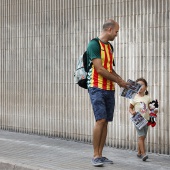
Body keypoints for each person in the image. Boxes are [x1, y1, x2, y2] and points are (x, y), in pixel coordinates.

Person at [86, 19, 129, 167]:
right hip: (96, 87)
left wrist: (121, 80)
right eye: (116, 31)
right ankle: (95, 155)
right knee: (100, 120)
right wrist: (119, 81)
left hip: (109, 88)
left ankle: (101, 154)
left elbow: (109, 68)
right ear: (109, 29)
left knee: (106, 122)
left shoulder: (110, 47)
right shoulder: (94, 44)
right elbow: (100, 69)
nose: (117, 34)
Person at [129, 78, 154, 161]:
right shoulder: (134, 97)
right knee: (141, 136)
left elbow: (151, 108)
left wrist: (154, 109)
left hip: (146, 120)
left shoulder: (148, 98)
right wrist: (132, 112)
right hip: (138, 120)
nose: (140, 86)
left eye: (142, 85)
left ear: (146, 87)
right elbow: (130, 108)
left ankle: (139, 152)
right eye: (138, 85)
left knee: (143, 137)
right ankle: (143, 154)